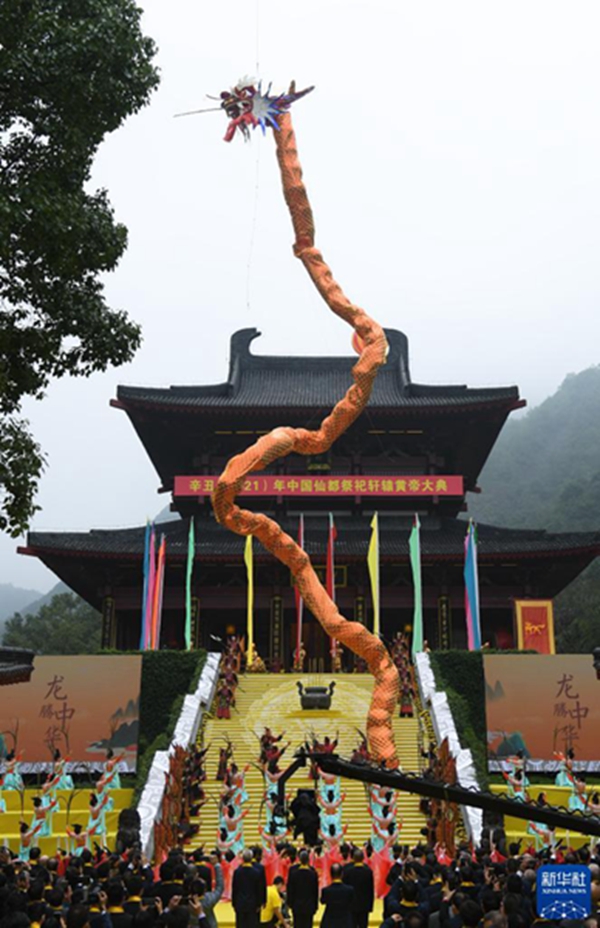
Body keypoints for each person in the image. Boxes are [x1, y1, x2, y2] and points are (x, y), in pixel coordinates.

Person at [232, 848, 266, 928]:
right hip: (252, 903)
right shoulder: (256, 873)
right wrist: (260, 903)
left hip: (240, 903)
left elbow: (235, 889)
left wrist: (234, 903)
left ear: (242, 858)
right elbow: (259, 890)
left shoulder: (237, 872)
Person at [342, 848, 374, 928]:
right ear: (363, 858)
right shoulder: (368, 871)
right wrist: (370, 906)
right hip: (364, 905)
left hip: (351, 905)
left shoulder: (348, 871)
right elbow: (370, 890)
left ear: (353, 858)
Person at [287, 849, 319, 928]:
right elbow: (315, 891)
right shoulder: (313, 873)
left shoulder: (294, 873)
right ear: (308, 860)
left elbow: (290, 889)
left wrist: (290, 903)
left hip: (297, 905)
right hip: (309, 906)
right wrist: (315, 905)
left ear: (299, 859)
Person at [320, 862, 354, 928]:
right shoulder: (349, 890)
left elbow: (322, 901)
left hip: (329, 921)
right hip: (345, 921)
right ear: (342, 874)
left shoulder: (326, 890)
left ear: (331, 875)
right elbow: (352, 901)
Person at [196, 854, 224, 928]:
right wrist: (217, 865)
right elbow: (220, 886)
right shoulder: (209, 899)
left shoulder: (186, 901)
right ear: (205, 889)